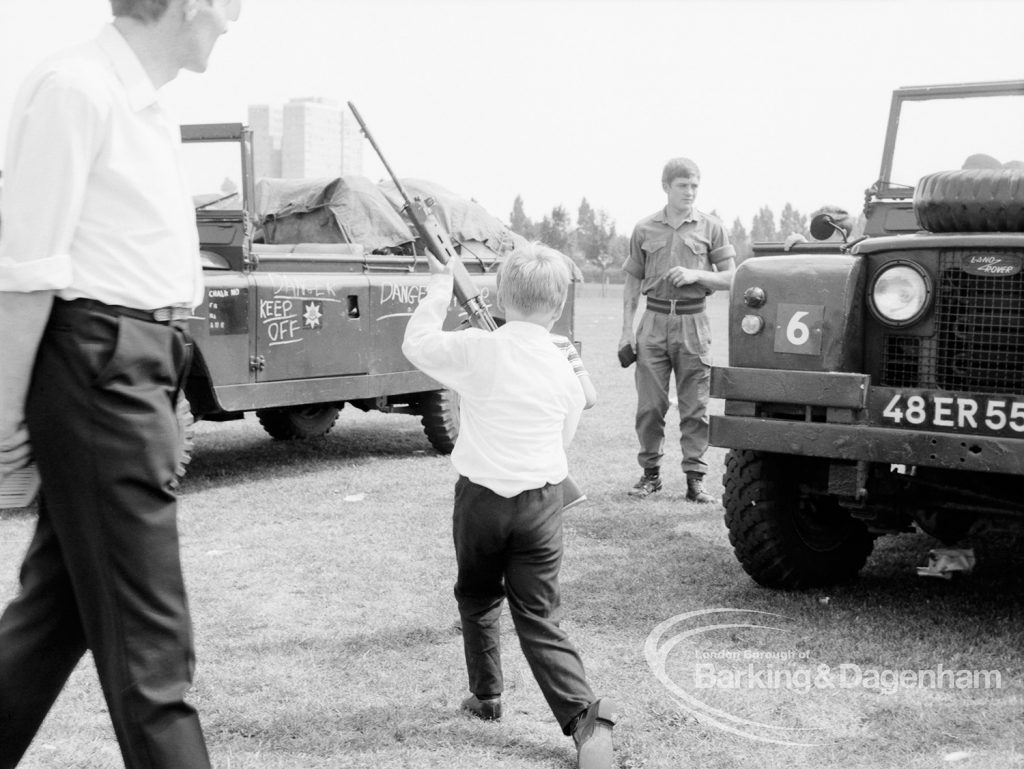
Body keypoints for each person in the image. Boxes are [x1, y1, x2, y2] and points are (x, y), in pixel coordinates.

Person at [0, 1, 240, 767]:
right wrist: (5, 419)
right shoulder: (78, 88)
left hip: (138, 360)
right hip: (99, 362)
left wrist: (166, 382)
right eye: (230, 4)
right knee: (153, 658)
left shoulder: (141, 106)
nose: (233, 21)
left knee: (55, 615)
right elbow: (27, 270)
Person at [402, 244, 619, 769]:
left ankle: (486, 695)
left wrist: (439, 283)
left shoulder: (481, 348)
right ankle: (585, 718)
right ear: (559, 301)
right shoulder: (564, 365)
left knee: (477, 595)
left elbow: (417, 343)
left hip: (479, 500)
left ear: (500, 296)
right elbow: (565, 434)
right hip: (542, 501)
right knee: (540, 616)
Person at [619, 157, 735, 502]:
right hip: (652, 322)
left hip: (693, 321)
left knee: (694, 406)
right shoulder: (643, 229)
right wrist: (627, 331)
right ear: (666, 187)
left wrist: (696, 274)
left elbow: (732, 276)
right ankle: (650, 475)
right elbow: (631, 283)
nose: (690, 192)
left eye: (695, 185)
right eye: (683, 185)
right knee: (650, 407)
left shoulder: (711, 227)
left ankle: (695, 479)